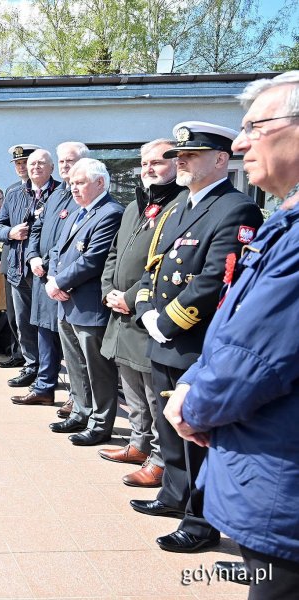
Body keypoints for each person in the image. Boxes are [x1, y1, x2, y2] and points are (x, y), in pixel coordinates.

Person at [163, 71, 299, 596]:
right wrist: (195, 382)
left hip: (281, 479)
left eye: (253, 128)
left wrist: (192, 403)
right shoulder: (282, 218)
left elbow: (257, 356)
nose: (240, 142)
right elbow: (235, 324)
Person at [130, 121, 264, 554]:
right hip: (163, 337)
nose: (181, 161)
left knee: (195, 434)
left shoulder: (235, 209)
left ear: (221, 159)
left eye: (190, 155)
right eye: (178, 155)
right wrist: (147, 311)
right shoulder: (177, 207)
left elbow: (214, 281)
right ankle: (174, 495)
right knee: (170, 430)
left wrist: (166, 321)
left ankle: (201, 521)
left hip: (195, 341)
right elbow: (156, 266)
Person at [98, 139, 184, 487]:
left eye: (157, 162)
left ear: (178, 164)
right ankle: (138, 443)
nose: (148, 168)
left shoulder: (179, 205)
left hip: (147, 314)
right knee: (130, 385)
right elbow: (115, 254)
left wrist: (130, 298)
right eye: (144, 163)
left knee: (153, 390)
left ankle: (161, 460)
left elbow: (164, 265)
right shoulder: (135, 205)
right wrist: (108, 292)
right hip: (119, 313)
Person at [46, 158, 124, 446]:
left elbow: (93, 260)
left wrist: (59, 282)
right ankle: (80, 411)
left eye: (80, 183)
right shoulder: (78, 212)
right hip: (66, 302)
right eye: (71, 183)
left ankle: (101, 423)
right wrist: (53, 280)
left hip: (89, 305)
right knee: (75, 364)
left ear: (100, 183)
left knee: (97, 369)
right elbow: (57, 249)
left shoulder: (110, 213)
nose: (73, 188)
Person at [15, 142, 89, 409]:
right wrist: (33, 256)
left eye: (70, 161)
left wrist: (57, 275)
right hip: (43, 276)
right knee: (45, 333)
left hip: (67, 282)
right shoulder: (56, 194)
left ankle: (76, 396)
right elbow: (36, 228)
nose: (65, 167)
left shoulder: (85, 196)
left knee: (71, 343)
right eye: (62, 162)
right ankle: (45, 387)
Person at [0, 147, 59, 384]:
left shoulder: (61, 193)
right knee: (23, 323)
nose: (33, 168)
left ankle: (49, 371)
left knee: (48, 326)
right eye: (28, 164)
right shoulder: (13, 193)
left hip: (46, 272)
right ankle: (32, 366)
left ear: (52, 167)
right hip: (18, 271)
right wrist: (10, 232)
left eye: (39, 164)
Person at [0, 144, 40, 370]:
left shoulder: (54, 191)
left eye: (26, 162)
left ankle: (40, 365)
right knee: (16, 318)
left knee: (39, 320)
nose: (22, 167)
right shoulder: (12, 191)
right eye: (18, 164)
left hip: (39, 267)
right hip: (14, 264)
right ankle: (22, 356)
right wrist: (10, 233)